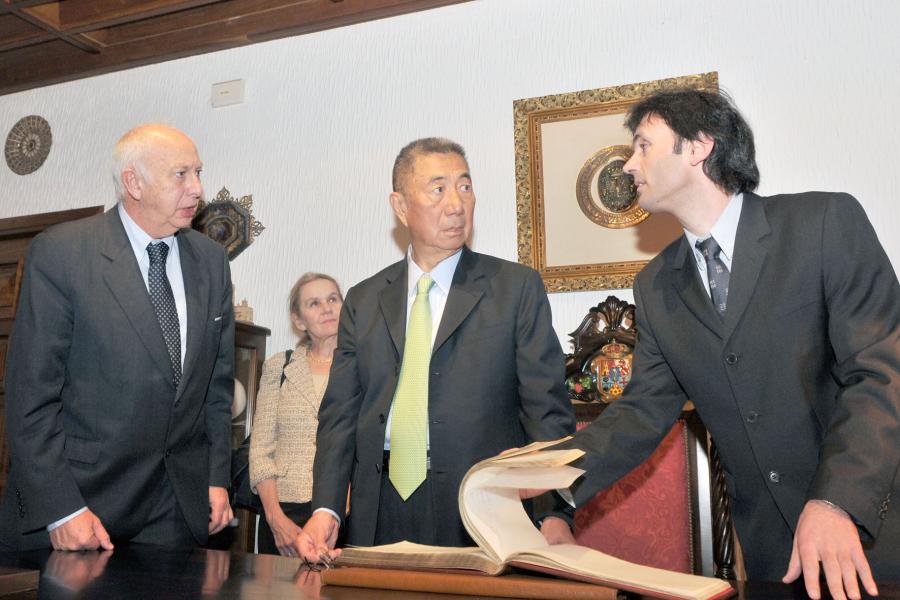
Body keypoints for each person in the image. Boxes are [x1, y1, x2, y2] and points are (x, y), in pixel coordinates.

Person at [540, 89, 899, 600]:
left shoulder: (823, 224)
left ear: (698, 146)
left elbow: (881, 372)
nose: (629, 163)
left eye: (643, 145)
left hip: (872, 530)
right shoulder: (657, 284)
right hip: (774, 554)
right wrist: (541, 472)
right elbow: (640, 414)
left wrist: (835, 502)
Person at [301, 137, 575, 560]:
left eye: (465, 187)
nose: (456, 203)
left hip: (480, 505)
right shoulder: (364, 299)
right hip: (379, 505)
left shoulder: (514, 289)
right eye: (438, 189)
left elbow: (545, 410)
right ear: (400, 205)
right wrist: (327, 507)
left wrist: (554, 511)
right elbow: (340, 414)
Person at [0, 124, 235, 551]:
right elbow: (30, 397)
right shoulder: (62, 253)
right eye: (181, 174)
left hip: (176, 510)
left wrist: (215, 477)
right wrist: (62, 508)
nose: (198, 189)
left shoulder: (211, 261)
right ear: (134, 182)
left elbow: (214, 392)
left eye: (198, 172)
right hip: (82, 504)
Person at [249, 272, 343, 557]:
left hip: (340, 513)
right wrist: (276, 520)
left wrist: (339, 512)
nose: (327, 308)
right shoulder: (280, 366)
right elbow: (260, 451)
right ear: (299, 320)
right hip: (283, 513)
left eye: (333, 299)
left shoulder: (363, 366)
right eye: (314, 303)